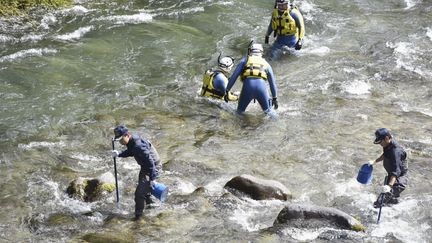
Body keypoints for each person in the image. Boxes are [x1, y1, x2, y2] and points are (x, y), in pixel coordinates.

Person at [111, 125, 162, 220]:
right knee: (145, 190)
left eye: (121, 138)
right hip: (145, 166)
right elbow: (131, 151)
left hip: (153, 167)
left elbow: (150, 161)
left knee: (139, 194)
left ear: (127, 135)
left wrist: (153, 178)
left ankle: (138, 218)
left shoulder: (138, 145)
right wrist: (119, 154)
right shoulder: (131, 141)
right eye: (118, 139)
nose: (120, 141)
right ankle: (151, 205)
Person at [224, 42, 278, 114]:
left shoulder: (244, 61)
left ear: (250, 51)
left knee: (239, 112)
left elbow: (234, 76)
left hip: (248, 87)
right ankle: (278, 123)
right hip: (261, 88)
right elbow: (272, 84)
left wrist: (227, 91)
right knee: (268, 111)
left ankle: (238, 124)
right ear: (261, 52)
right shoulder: (266, 64)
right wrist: (274, 98)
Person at [369, 128, 408, 208]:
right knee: (391, 201)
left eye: (381, 142)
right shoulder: (388, 144)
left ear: (386, 138)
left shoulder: (395, 152)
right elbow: (385, 154)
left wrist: (389, 186)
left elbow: (396, 171)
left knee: (380, 201)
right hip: (392, 175)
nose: (380, 144)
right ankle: (394, 207)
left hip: (399, 179)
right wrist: (375, 161)